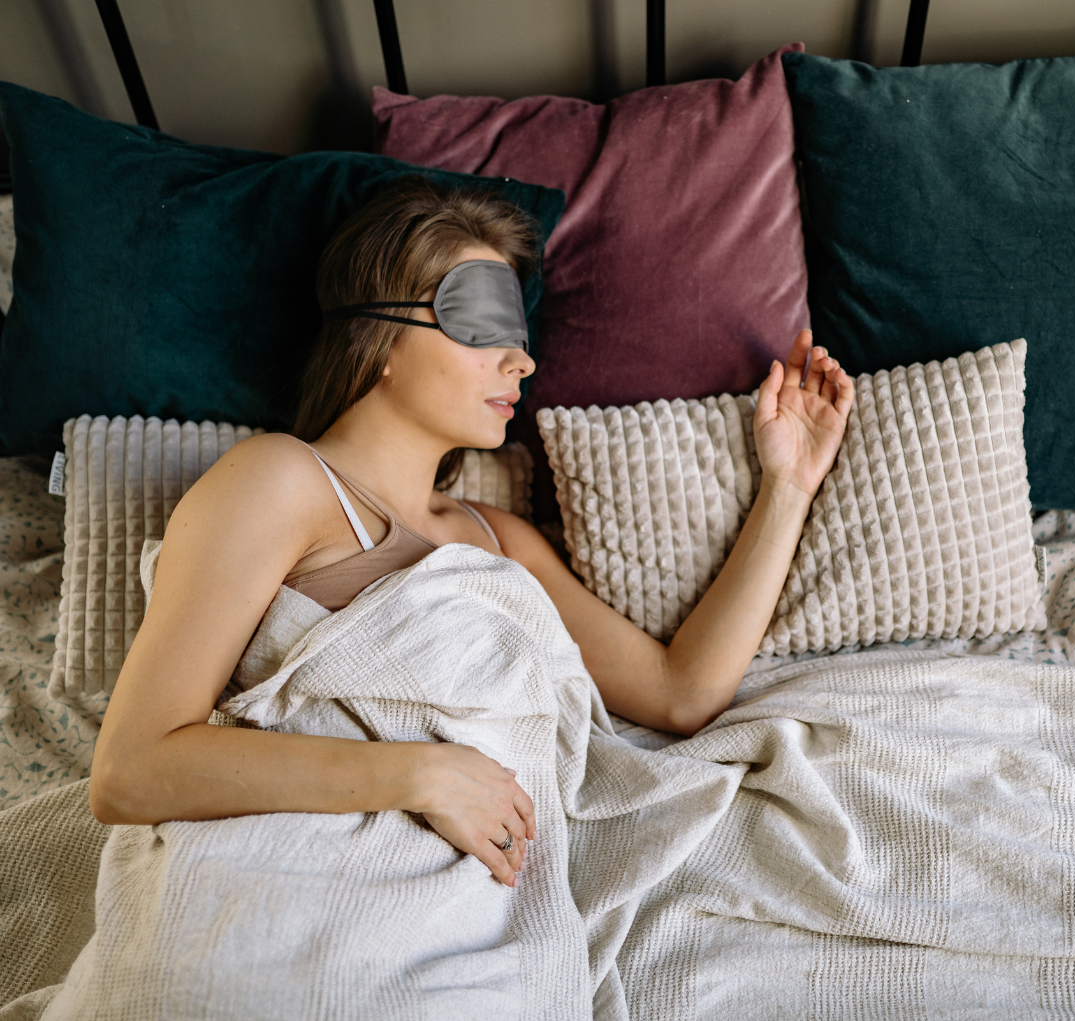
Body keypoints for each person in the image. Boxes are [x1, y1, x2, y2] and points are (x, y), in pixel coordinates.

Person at [88, 177, 854, 889]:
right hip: (292, 875)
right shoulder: (280, 480)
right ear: (377, 338)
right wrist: (416, 774)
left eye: (517, 332)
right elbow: (129, 769)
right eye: (479, 321)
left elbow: (681, 694)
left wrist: (787, 487)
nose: (519, 358)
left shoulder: (500, 541)